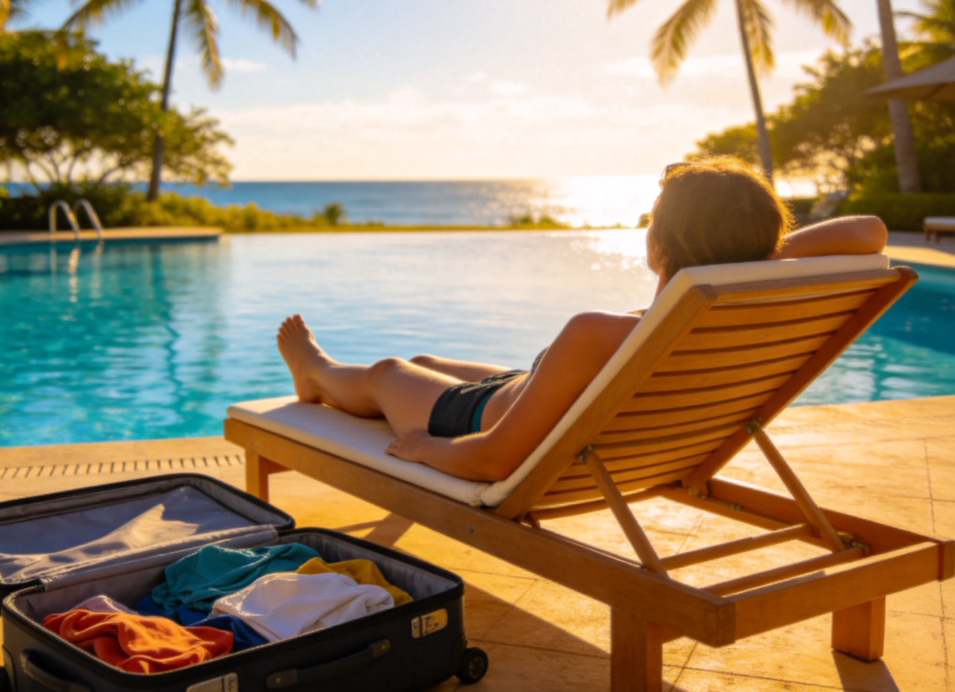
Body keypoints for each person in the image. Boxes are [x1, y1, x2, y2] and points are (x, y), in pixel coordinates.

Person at [277, 158, 887, 484]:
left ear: (661, 243)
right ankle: (333, 374)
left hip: (485, 420)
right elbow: (870, 232)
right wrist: (747, 259)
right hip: (537, 392)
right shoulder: (718, 315)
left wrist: (427, 448)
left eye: (651, 219)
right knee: (431, 364)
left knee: (388, 374)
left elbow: (493, 462)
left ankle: (316, 371)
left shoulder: (598, 331)